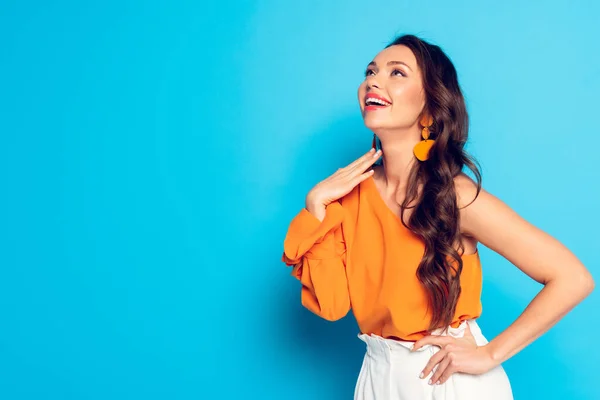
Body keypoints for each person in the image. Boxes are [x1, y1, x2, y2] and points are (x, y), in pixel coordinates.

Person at [280, 34, 595, 400]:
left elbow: (572, 277)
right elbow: (332, 307)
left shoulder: (454, 195)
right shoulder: (348, 198)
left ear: (429, 107)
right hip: (377, 379)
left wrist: (489, 355)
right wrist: (315, 206)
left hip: (448, 380)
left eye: (397, 73)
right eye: (370, 71)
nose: (374, 81)